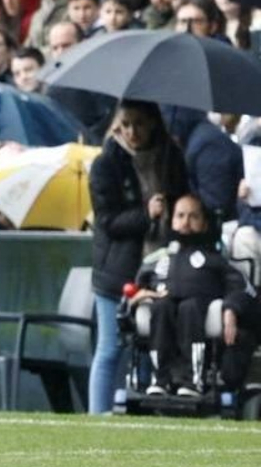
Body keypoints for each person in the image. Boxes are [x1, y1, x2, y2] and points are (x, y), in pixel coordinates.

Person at [87, 101, 188, 415]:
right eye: (126, 124)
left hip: (161, 268)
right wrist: (146, 214)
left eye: (140, 124)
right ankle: (97, 415)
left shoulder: (171, 158)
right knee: (110, 348)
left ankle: (143, 411)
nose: (132, 132)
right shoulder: (106, 164)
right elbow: (109, 223)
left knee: (150, 345)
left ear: (154, 123)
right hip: (118, 271)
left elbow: (185, 200)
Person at [130, 195, 250, 397]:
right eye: (180, 216)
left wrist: (231, 309)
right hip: (163, 307)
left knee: (190, 307)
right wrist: (137, 297)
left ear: (203, 224)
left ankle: (194, 380)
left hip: (199, 310)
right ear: (173, 221)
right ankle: (159, 380)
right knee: (161, 306)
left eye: (193, 216)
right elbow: (134, 290)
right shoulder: (157, 258)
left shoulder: (215, 259)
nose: (185, 222)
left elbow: (240, 288)